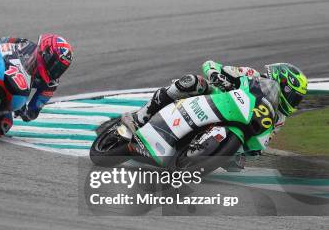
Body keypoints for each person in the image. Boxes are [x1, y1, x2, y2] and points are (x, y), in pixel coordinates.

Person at [123, 61, 308, 164]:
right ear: (283, 83)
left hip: (236, 122)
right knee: (192, 82)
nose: (294, 102)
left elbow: (265, 140)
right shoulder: (252, 74)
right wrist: (216, 74)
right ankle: (141, 117)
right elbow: (213, 65)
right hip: (218, 97)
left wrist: (247, 151)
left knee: (236, 162)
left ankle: (197, 148)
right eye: (293, 96)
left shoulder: (279, 118)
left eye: (297, 100)